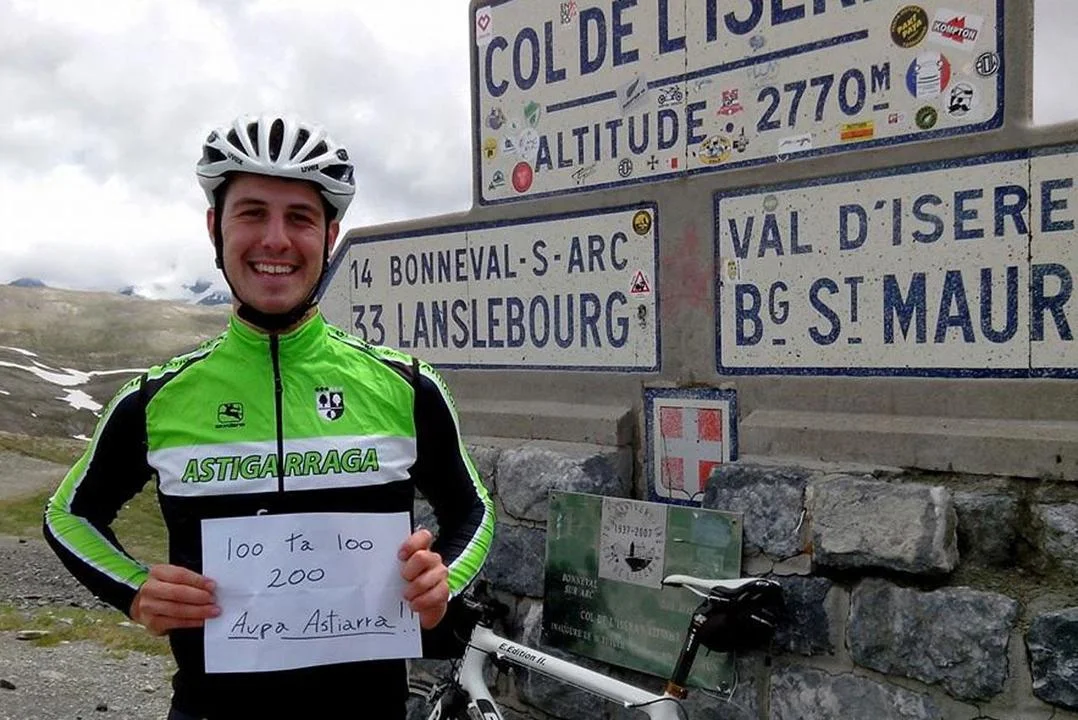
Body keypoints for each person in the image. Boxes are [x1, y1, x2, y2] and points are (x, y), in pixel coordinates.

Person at [42, 113, 495, 719]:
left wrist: (445, 582)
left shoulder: (406, 387)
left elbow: (474, 509)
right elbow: (68, 515)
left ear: (329, 235)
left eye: (299, 217)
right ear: (216, 228)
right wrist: (135, 590)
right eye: (252, 213)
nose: (276, 240)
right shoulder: (156, 399)